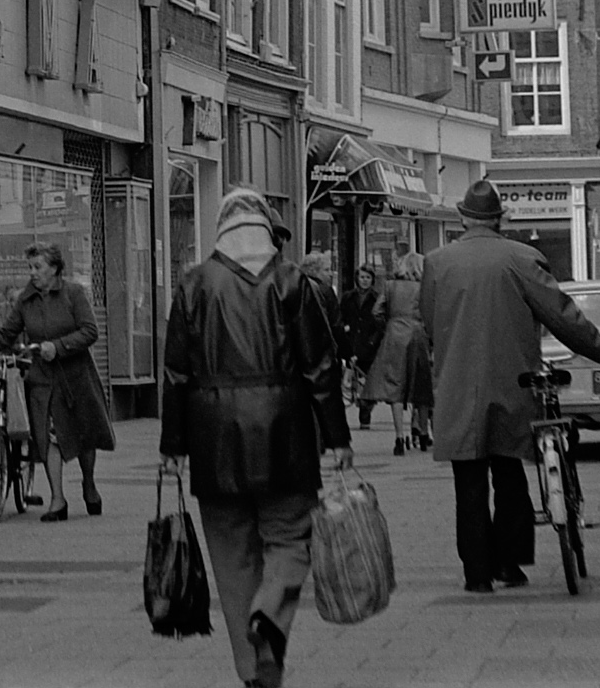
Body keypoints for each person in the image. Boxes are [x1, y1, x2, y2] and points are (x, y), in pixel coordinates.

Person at [161, 187, 349, 688]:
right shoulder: (291, 281)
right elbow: (320, 366)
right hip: (286, 435)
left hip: (213, 440)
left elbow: (176, 373)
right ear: (266, 228)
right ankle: (269, 616)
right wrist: (338, 438)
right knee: (291, 538)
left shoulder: (195, 284)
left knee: (232, 557)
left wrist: (172, 447)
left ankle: (252, 672)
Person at [421, 179, 600, 593]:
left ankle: (476, 574)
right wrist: (598, 349)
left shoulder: (437, 263)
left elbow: (430, 323)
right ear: (499, 219)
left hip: (457, 386)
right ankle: (509, 564)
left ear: (463, 218)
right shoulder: (522, 258)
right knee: (510, 473)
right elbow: (560, 314)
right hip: (512, 383)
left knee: (468, 483)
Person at [0, 242, 118, 519]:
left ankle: (89, 484)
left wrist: (58, 346)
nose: (32, 272)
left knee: (84, 434)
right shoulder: (26, 300)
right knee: (49, 435)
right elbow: (7, 332)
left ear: (54, 268)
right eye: (30, 267)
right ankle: (57, 499)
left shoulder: (73, 294)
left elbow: (90, 330)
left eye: (38, 267)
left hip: (76, 376)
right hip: (43, 379)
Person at [361, 251, 434, 454]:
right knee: (421, 384)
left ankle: (399, 437)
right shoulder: (423, 288)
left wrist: (388, 326)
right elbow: (431, 313)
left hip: (394, 334)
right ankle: (423, 433)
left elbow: (376, 311)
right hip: (417, 334)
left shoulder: (390, 286)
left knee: (395, 385)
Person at [337, 265, 387, 431]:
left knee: (366, 382)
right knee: (349, 382)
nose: (365, 281)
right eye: (362, 277)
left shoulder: (377, 298)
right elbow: (341, 317)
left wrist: (373, 342)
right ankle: (349, 408)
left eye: (368, 277)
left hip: (369, 345)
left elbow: (381, 323)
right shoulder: (348, 297)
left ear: (372, 280)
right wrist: (344, 332)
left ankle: (365, 412)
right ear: (357, 279)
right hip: (351, 342)